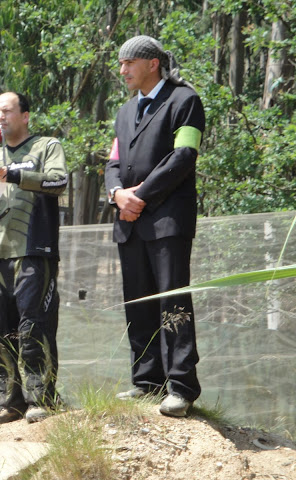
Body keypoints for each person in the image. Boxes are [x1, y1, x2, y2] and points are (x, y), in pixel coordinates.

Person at [104, 35, 205, 417]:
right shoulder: (125, 112)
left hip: (167, 221)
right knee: (139, 302)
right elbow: (113, 162)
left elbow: (184, 156)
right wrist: (117, 195)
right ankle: (147, 382)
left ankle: (181, 386)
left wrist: (140, 195)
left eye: (130, 62)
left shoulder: (185, 100)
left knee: (172, 301)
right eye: (120, 63)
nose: (123, 70)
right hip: (129, 222)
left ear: (153, 64)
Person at [0, 92, 68, 425]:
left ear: (25, 115)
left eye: (6, 111)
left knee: (34, 325)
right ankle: (9, 401)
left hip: (36, 249)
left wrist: (15, 174)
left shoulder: (46, 146)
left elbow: (59, 181)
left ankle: (42, 398)